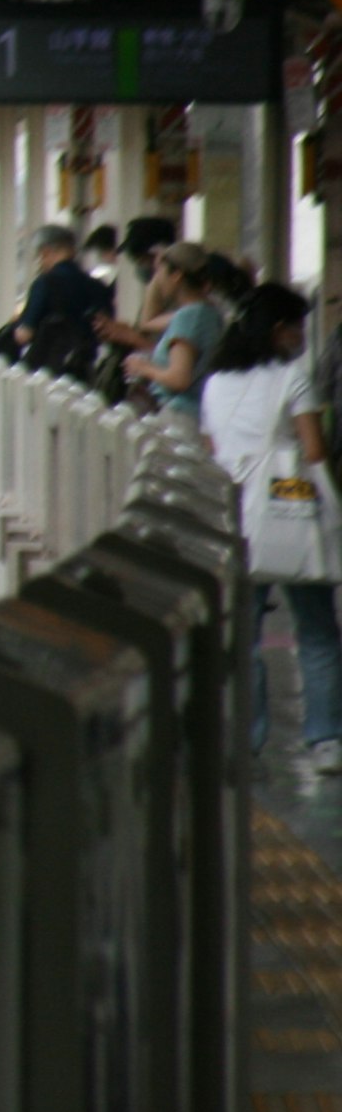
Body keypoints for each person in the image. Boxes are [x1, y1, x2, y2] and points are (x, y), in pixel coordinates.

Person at [204, 282, 341, 769]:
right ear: (280, 331)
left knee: (242, 635)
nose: (303, 336)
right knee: (318, 629)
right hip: (289, 513)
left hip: (234, 515)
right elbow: (315, 450)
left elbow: (210, 448)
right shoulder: (293, 378)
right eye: (298, 327)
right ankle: (326, 739)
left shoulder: (215, 381)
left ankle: (246, 737)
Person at [119, 241, 228, 426]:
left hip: (180, 416)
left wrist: (143, 367)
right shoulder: (206, 312)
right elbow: (148, 322)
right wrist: (163, 265)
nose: (157, 280)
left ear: (176, 275)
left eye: (160, 273)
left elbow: (179, 378)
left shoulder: (189, 317)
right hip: (196, 415)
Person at [13, 223, 113, 379]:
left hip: (46, 373)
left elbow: (24, 335)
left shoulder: (45, 283)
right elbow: (107, 331)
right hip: (84, 372)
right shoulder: (98, 286)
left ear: (45, 252)